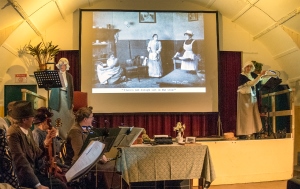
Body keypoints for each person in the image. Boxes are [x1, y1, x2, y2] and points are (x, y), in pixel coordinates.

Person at [7, 101, 67, 189]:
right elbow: (21, 161)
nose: (33, 119)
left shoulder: (28, 131)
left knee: (61, 184)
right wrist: (37, 185)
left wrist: (46, 142)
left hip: (34, 173)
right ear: (24, 120)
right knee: (60, 186)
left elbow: (36, 153)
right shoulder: (13, 133)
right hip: (24, 177)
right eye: (32, 117)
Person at [65, 106, 120, 188]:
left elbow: (95, 145)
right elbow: (79, 153)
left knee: (113, 165)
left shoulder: (88, 128)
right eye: (91, 117)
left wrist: (101, 155)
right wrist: (99, 157)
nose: (93, 119)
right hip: (78, 162)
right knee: (104, 169)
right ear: (85, 119)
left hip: (89, 159)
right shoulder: (75, 131)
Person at [236, 61, 267, 139]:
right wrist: (260, 76)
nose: (249, 68)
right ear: (244, 67)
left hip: (252, 96)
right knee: (246, 115)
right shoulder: (242, 76)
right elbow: (252, 83)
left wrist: (263, 76)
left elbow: (260, 81)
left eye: (250, 66)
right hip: (244, 96)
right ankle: (244, 132)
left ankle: (255, 131)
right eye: (247, 66)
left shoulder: (252, 75)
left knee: (254, 114)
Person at [49, 57, 75, 140]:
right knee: (56, 116)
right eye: (60, 64)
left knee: (67, 116)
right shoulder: (54, 74)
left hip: (66, 98)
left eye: (63, 65)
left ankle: (66, 136)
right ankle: (56, 135)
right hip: (56, 97)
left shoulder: (69, 76)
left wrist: (72, 102)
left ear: (66, 66)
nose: (62, 66)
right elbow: (49, 87)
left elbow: (71, 90)